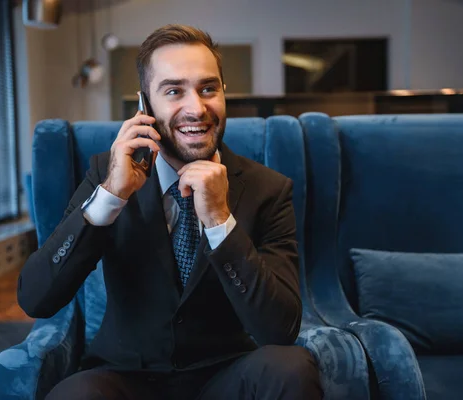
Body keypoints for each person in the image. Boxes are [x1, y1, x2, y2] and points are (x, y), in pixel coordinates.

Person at [17, 24, 323, 400]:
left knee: (290, 369)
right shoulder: (106, 174)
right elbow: (36, 298)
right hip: (125, 377)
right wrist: (111, 195)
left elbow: (280, 330)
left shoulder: (268, 189)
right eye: (174, 91)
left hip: (226, 376)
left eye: (208, 88)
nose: (196, 108)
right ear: (144, 103)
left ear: (224, 93)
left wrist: (219, 221)